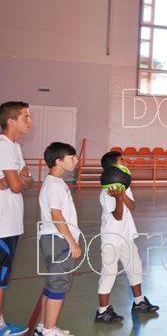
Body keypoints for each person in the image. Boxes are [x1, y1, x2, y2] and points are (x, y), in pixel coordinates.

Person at [95, 151, 159, 324]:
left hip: (126, 236)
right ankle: (102, 311)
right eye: (122, 160)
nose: (125, 162)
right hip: (111, 238)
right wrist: (118, 197)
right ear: (113, 167)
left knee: (135, 268)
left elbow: (132, 206)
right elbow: (117, 215)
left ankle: (139, 302)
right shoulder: (107, 191)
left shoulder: (124, 185)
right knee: (109, 273)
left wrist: (122, 194)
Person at [35, 143, 81, 336]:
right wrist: (71, 241)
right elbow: (56, 215)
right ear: (59, 161)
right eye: (72, 157)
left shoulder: (56, 182)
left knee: (52, 284)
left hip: (53, 239)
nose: (76, 160)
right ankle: (49, 330)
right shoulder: (54, 184)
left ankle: (43, 325)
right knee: (58, 284)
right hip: (58, 240)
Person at [0, 101, 34, 336]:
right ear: (11, 121)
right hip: (2, 224)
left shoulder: (16, 147)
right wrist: (19, 180)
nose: (30, 121)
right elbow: (16, 185)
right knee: (1, 277)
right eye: (26, 117)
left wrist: (20, 180)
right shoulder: (3, 146)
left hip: (12, 224)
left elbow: (29, 180)